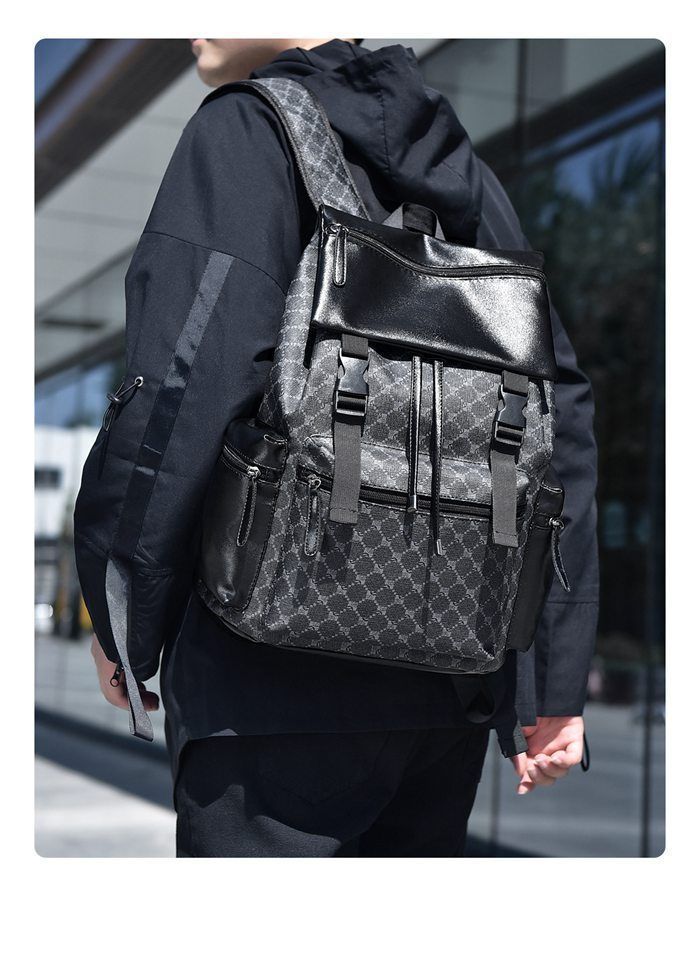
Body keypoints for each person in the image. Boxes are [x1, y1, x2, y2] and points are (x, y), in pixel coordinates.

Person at [79, 38, 598, 857]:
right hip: (449, 685)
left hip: (267, 680)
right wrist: (551, 680)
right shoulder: (465, 176)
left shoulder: (246, 128)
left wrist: (125, 608)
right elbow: (554, 410)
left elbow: (186, 381)